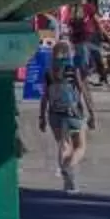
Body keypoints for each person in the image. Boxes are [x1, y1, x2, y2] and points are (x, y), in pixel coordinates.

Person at [39, 33, 96, 191]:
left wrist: (41, 117)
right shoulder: (73, 69)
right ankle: (69, 167)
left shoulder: (49, 72)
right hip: (73, 112)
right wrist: (92, 113)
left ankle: (67, 180)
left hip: (54, 113)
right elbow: (83, 92)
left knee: (63, 144)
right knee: (80, 146)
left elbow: (44, 97)